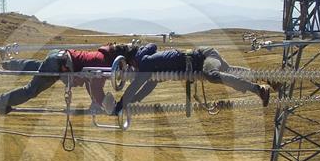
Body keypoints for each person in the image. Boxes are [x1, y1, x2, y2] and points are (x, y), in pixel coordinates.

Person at [113, 44, 269, 113]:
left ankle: (258, 89)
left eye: (130, 65)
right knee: (229, 71)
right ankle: (267, 79)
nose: (132, 69)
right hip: (205, 55)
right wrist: (134, 100)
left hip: (204, 56)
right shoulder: (151, 63)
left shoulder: (146, 62)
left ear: (133, 59)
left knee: (212, 75)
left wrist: (120, 104)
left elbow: (136, 84)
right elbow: (148, 85)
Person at [0, 43, 138, 114]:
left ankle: (6, 64)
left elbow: (90, 83)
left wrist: (95, 102)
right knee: (31, 90)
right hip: (59, 65)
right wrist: (109, 108)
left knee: (37, 66)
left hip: (58, 57)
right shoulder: (103, 63)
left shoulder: (104, 57)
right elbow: (97, 89)